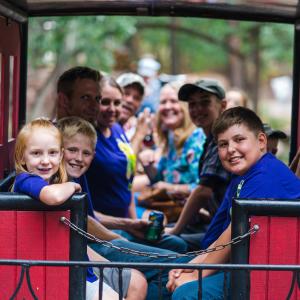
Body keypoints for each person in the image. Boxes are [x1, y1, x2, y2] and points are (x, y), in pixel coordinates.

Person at [167, 106, 300, 300]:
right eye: (222, 144)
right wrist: (190, 267)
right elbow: (225, 234)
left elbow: (233, 234)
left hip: (274, 276)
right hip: (250, 265)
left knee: (187, 293)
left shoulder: (265, 175)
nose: (231, 149)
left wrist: (196, 275)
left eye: (239, 140)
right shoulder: (244, 176)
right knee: (168, 278)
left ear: (261, 141)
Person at [12, 117, 118, 300]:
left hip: (75, 271)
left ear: (60, 155)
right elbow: (52, 197)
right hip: (53, 275)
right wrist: (73, 187)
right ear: (22, 157)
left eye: (52, 153)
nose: (45, 161)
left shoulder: (54, 180)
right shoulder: (27, 180)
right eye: (36, 153)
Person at [57, 116, 147, 300]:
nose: (78, 158)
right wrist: (118, 238)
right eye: (72, 150)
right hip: (69, 263)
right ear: (59, 151)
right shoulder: (58, 187)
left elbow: (78, 235)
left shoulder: (75, 179)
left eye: (86, 153)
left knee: (138, 281)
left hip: (84, 252)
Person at [166, 79, 231, 242]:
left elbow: (203, 191)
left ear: (222, 105)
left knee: (170, 242)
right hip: (218, 224)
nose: (197, 109)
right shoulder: (210, 139)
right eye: (192, 104)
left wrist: (175, 230)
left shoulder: (222, 140)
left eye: (205, 103)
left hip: (228, 235)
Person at [137, 81, 206, 221]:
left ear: (185, 107)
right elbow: (158, 179)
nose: (168, 106)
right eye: (163, 102)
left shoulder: (197, 138)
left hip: (190, 214)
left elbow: (202, 188)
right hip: (170, 208)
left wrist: (170, 187)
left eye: (173, 101)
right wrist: (147, 164)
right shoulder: (171, 137)